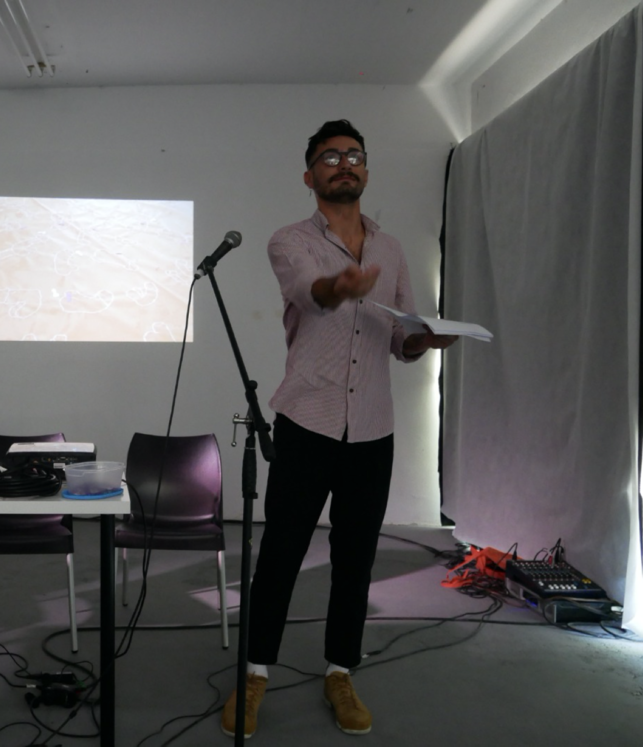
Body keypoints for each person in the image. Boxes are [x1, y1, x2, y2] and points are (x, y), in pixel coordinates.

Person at [221, 120, 456, 739]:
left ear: (366, 170)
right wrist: (340, 286)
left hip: (372, 429)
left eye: (354, 155)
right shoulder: (289, 240)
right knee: (281, 556)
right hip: (308, 420)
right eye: (330, 157)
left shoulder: (391, 249)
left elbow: (402, 337)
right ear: (310, 176)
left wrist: (424, 339)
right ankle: (254, 673)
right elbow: (309, 293)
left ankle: (340, 671)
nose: (344, 164)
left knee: (356, 560)